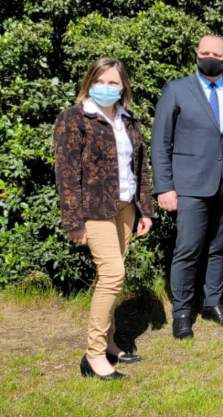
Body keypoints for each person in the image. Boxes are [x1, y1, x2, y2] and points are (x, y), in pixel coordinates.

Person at [152, 35, 223, 339]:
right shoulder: (176, 90)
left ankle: (212, 303)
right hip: (190, 186)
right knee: (188, 249)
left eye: (216, 53)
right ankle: (182, 313)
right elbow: (161, 143)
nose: (210, 57)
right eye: (205, 52)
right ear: (196, 55)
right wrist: (164, 187)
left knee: (219, 248)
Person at [53, 58, 154, 379]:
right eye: (102, 81)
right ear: (89, 82)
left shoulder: (128, 120)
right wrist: (73, 221)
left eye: (114, 83)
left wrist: (145, 209)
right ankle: (93, 355)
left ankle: (110, 342)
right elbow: (66, 174)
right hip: (93, 210)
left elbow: (140, 168)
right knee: (113, 274)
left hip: (125, 207)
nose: (107, 88)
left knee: (106, 278)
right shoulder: (74, 119)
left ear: (123, 86)